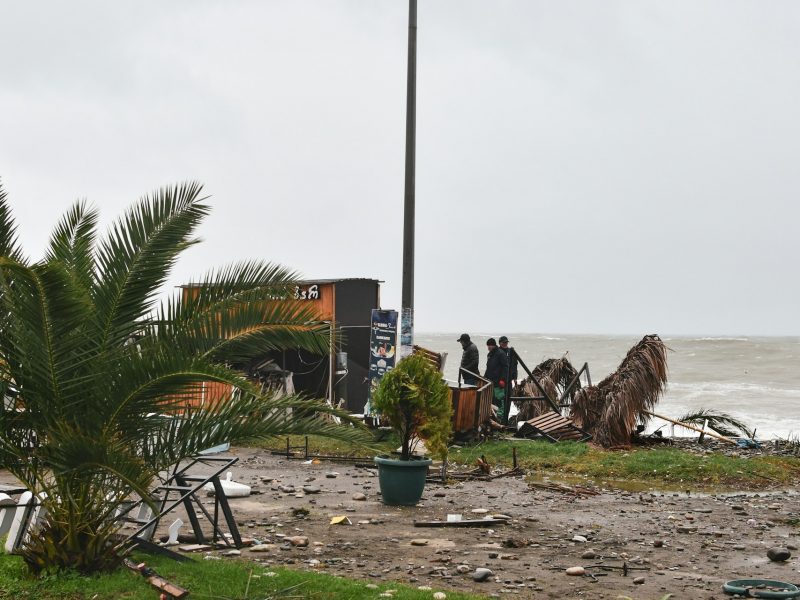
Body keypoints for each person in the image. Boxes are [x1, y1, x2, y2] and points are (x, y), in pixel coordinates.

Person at [484, 338, 508, 422]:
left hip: (499, 382)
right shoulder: (490, 354)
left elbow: (505, 368)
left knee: (500, 401)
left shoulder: (501, 354)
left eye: (490, 345)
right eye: (488, 346)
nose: (488, 347)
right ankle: (493, 418)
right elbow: (488, 368)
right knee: (492, 401)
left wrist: (503, 379)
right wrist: (485, 378)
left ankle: (500, 419)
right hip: (491, 381)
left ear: (494, 345)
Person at [498, 336, 518, 423]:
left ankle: (505, 420)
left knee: (508, 399)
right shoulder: (497, 352)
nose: (505, 344)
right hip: (499, 381)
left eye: (506, 342)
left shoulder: (510, 352)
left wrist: (515, 377)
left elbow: (514, 365)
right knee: (499, 400)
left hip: (508, 380)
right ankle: (499, 420)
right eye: (503, 342)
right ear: (500, 343)